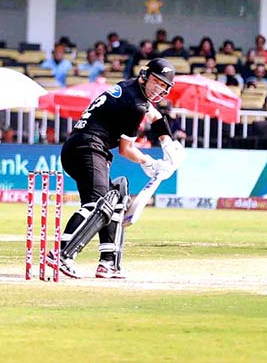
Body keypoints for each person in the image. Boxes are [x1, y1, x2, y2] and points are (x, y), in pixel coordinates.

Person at [48, 58, 183, 279]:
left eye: (163, 86)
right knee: (100, 204)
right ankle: (62, 255)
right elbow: (126, 148)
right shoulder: (135, 104)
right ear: (145, 76)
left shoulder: (130, 87)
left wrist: (168, 143)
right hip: (88, 148)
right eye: (156, 82)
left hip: (81, 147)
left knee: (117, 198)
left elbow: (156, 116)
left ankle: (108, 263)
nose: (158, 89)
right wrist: (150, 163)